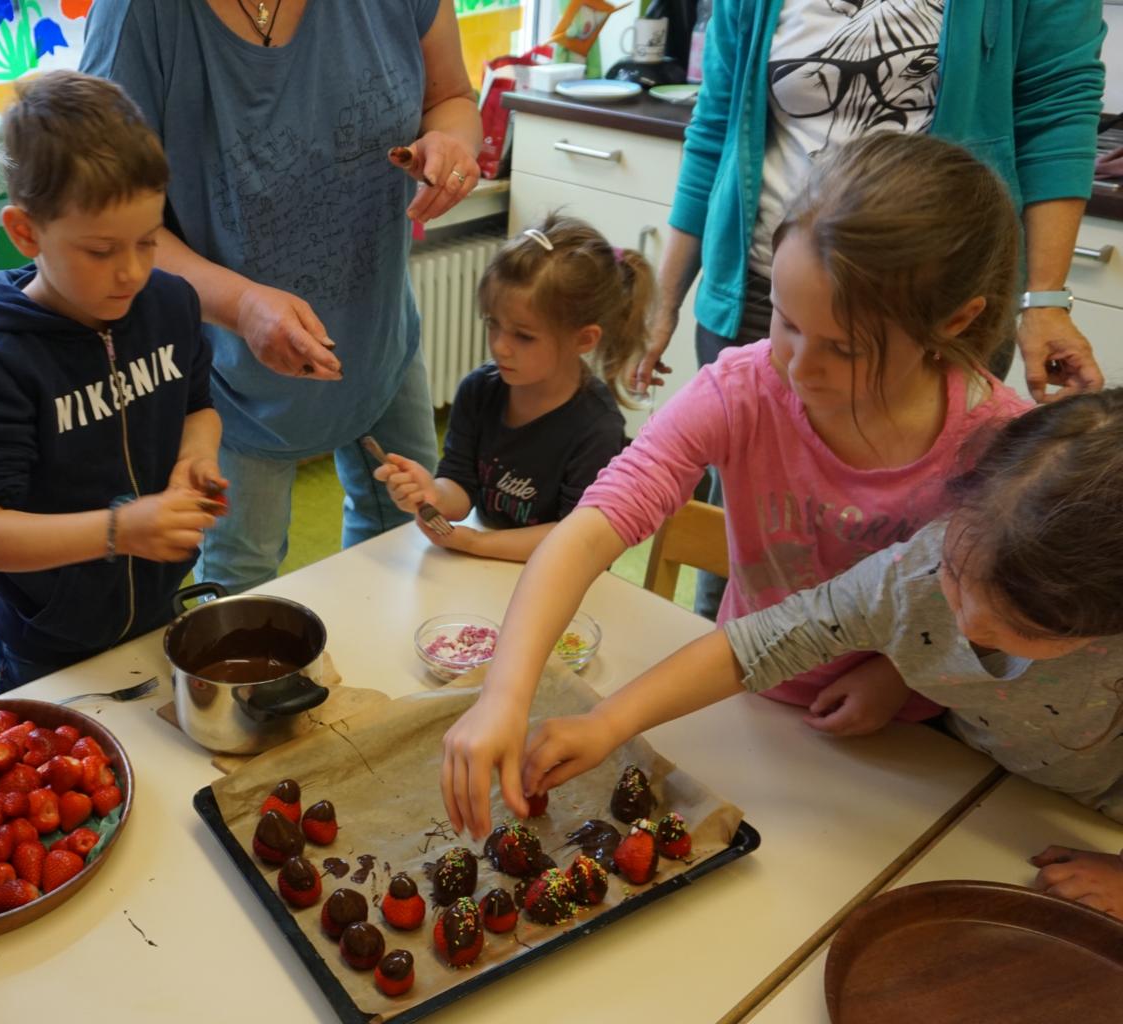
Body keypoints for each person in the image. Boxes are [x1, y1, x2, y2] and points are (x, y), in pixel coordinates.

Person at [440, 132, 1033, 838]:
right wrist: (507, 694)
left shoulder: (1001, 446)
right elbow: (592, 528)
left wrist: (898, 675)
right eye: (785, 320)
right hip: (740, 700)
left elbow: (995, 615)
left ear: (954, 322)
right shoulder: (743, 389)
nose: (798, 366)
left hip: (910, 747)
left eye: (843, 348)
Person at [521, 390, 1123, 918]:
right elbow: (762, 643)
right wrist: (607, 722)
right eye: (959, 575)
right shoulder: (918, 570)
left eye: (1010, 626)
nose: (964, 620)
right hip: (976, 791)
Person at [633, 0, 1108, 619]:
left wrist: (1042, 298)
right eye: (795, 335)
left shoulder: (980, 412)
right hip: (761, 282)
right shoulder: (750, 370)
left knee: (912, 542)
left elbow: (1057, 114)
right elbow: (714, 125)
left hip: (914, 302)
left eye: (844, 348)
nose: (801, 371)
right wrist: (666, 302)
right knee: (746, 525)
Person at [82, 0, 482, 593]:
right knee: (241, 583)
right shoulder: (139, 16)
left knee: (409, 542)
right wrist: (242, 305)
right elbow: (104, 220)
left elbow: (451, 96)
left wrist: (451, 143)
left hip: (379, 335)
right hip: (227, 377)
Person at [0, 72, 221, 693]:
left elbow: (199, 408)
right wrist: (121, 531)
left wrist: (194, 461)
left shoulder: (171, 303)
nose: (130, 273)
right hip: (49, 644)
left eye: (147, 242)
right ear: (25, 233)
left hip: (157, 610)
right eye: (100, 251)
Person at [372, 215, 646, 562]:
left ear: (584, 339)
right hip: (491, 563)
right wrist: (433, 493)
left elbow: (573, 536)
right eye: (493, 325)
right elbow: (461, 486)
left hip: (560, 574)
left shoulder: (597, 426)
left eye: (524, 336)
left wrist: (474, 543)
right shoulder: (479, 390)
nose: (500, 347)